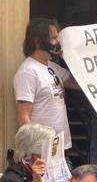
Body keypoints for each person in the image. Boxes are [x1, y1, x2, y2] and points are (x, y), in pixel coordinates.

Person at [14, 18, 73, 149]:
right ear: (38, 41)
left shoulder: (52, 67)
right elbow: (23, 116)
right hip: (43, 150)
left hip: (61, 147)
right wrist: (35, 150)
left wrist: (70, 58)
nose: (56, 43)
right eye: (53, 38)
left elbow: (77, 83)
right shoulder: (28, 72)